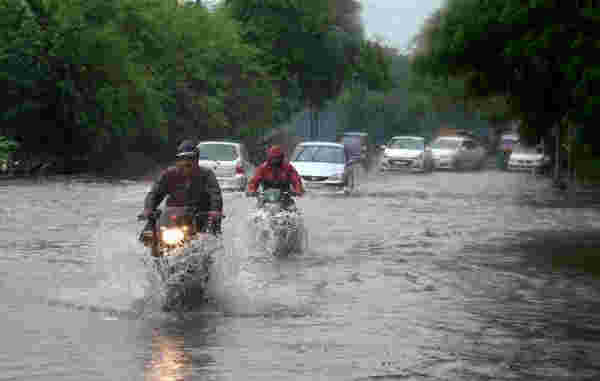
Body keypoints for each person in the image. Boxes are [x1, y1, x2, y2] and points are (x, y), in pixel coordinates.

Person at [140, 140, 223, 240]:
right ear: (177, 160)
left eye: (190, 158)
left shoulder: (207, 174)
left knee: (211, 236)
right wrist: (148, 209)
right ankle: (148, 254)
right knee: (147, 235)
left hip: (201, 216)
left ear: (197, 160)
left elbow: (215, 194)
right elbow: (155, 193)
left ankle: (211, 252)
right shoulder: (168, 174)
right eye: (182, 158)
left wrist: (215, 210)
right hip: (172, 216)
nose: (186, 162)